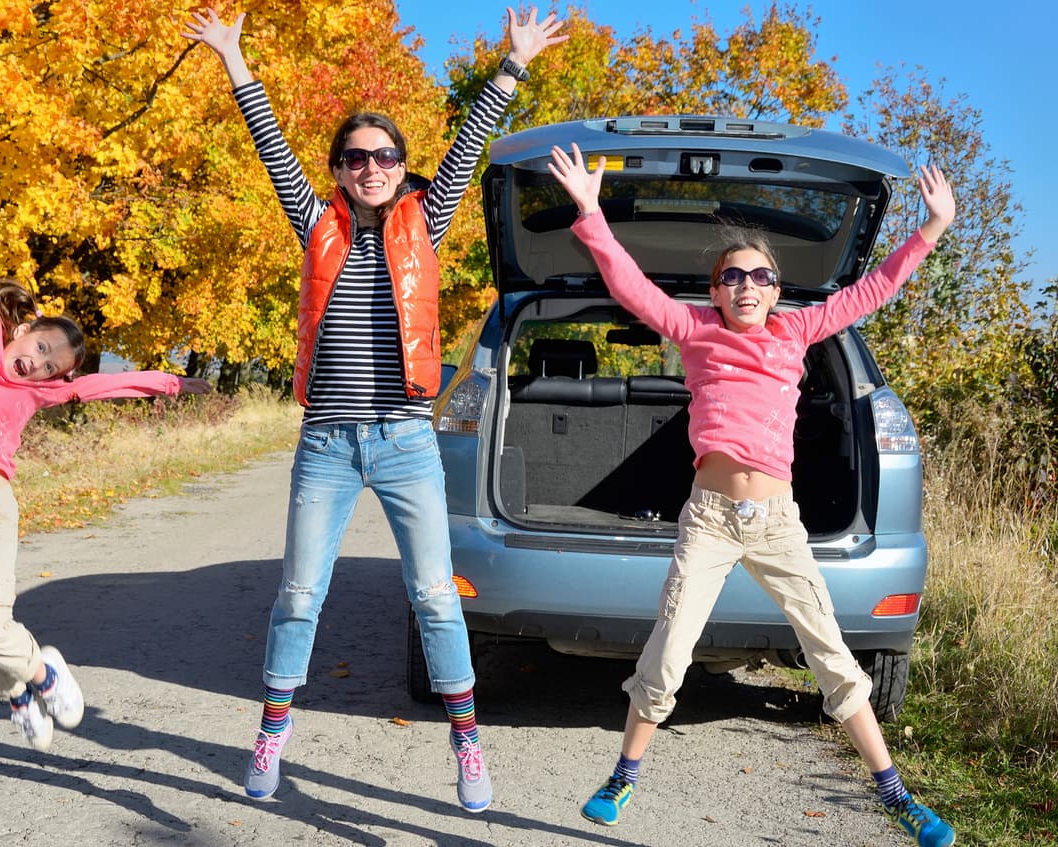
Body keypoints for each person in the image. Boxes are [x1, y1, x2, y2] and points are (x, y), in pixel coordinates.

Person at [181, 6, 565, 812]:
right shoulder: (315, 222)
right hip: (325, 442)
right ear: (338, 168)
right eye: (356, 157)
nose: (372, 167)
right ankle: (272, 731)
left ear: (401, 166)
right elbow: (268, 143)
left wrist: (514, 63)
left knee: (434, 595)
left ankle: (466, 740)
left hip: (404, 439)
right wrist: (233, 58)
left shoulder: (427, 219)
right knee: (298, 594)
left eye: (386, 155)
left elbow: (470, 142)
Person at [546, 143, 957, 847]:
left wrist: (931, 228)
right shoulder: (696, 331)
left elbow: (872, 290)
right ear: (714, 292)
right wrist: (589, 212)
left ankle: (896, 794)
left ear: (775, 290)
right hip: (709, 520)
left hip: (776, 523)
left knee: (831, 654)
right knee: (668, 652)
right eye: (731, 276)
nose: (745, 285)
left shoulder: (797, 330)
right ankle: (622, 777)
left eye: (760, 276)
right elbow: (631, 287)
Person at [0, 153, 211, 752]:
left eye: (49, 366)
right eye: (40, 348)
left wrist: (169, 382)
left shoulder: (37, 392)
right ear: (24, 330)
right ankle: (17, 694)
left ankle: (45, 674)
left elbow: (104, 385)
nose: (37, 364)